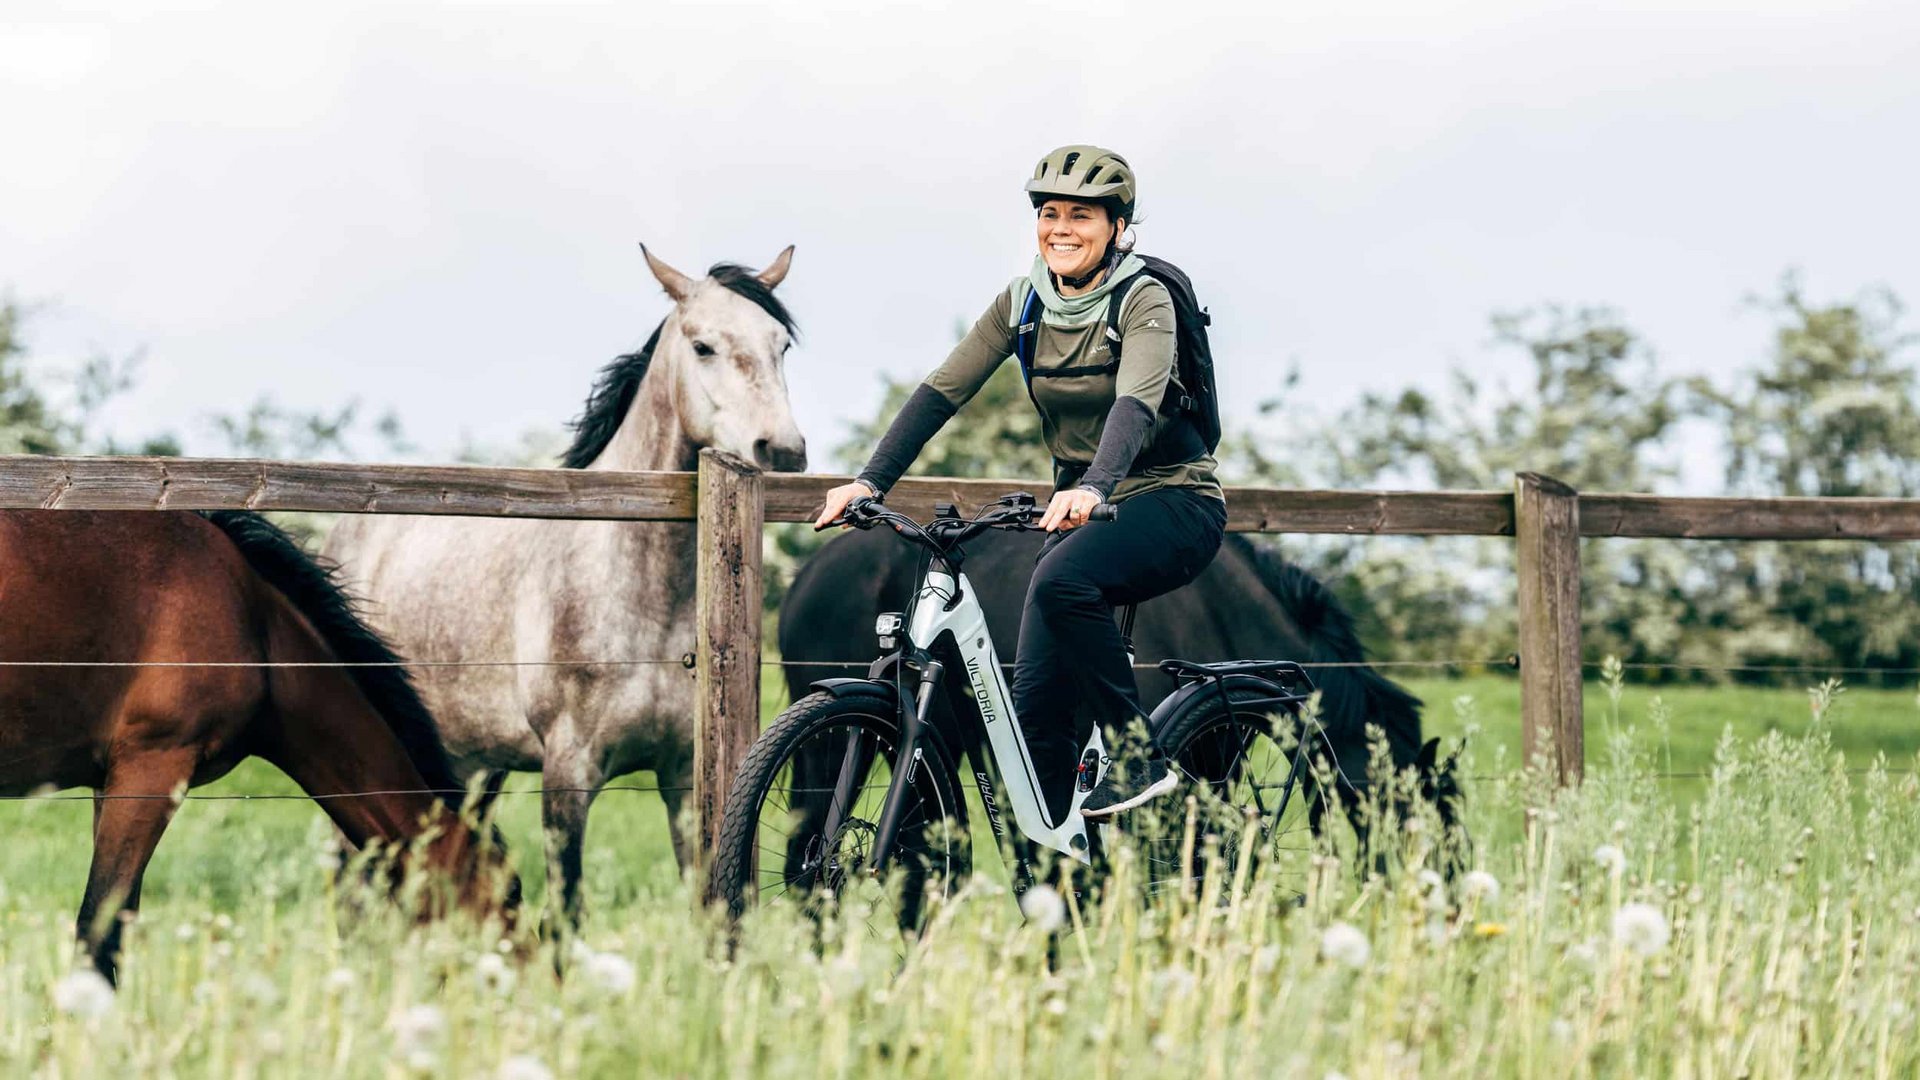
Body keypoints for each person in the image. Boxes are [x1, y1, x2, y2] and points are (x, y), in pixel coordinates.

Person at [815, 144, 1227, 821]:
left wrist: (1093, 486)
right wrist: (870, 481)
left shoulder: (1144, 298)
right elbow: (943, 390)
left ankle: (1137, 755)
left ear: (1119, 229)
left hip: (1172, 502)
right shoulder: (1023, 302)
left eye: (1083, 217)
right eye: (1050, 213)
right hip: (1084, 513)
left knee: (1066, 585)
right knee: (1036, 710)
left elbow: (1136, 402)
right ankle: (1068, 892)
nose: (1062, 229)